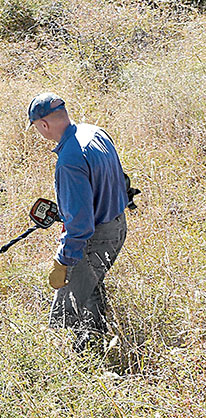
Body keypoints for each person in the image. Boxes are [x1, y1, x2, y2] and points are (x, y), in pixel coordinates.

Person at [28, 92, 128, 353]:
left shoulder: (69, 160)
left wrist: (63, 261)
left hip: (97, 236)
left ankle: (84, 359)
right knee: (91, 287)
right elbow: (119, 179)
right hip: (118, 224)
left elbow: (80, 226)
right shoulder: (95, 132)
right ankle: (98, 339)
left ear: (43, 125)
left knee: (68, 303)